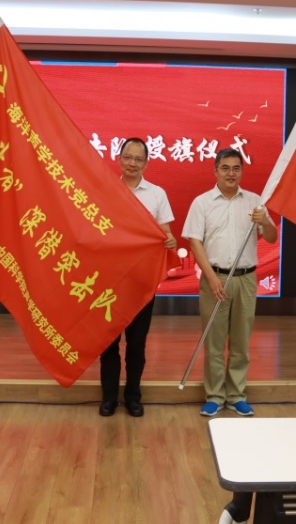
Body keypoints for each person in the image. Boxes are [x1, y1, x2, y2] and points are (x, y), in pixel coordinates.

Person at [182, 148, 277, 417]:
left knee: (241, 342)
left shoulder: (255, 202)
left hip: (246, 279)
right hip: (215, 279)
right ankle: (214, 396)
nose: (231, 173)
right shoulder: (202, 202)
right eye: (225, 168)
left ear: (241, 172)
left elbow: (271, 237)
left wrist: (265, 221)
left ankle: (236, 395)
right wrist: (211, 278)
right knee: (214, 341)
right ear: (216, 171)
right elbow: (195, 242)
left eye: (236, 168)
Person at [99, 138, 177, 418]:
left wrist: (169, 240)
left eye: (138, 159)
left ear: (146, 163)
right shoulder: (105, 190)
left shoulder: (156, 194)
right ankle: (109, 397)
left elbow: (165, 232)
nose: (132, 163)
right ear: (119, 159)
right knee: (108, 343)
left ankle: (133, 396)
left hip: (141, 282)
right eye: (128, 157)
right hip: (109, 280)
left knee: (136, 344)